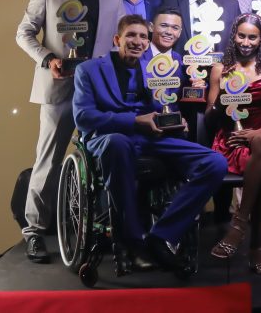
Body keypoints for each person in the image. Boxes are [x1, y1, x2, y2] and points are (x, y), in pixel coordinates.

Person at [72, 15, 228, 271]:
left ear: (148, 42)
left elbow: (162, 106)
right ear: (117, 39)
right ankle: (132, 239)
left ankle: (162, 235)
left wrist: (174, 121)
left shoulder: (154, 68)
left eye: (143, 36)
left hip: (150, 137)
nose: (138, 41)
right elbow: (83, 117)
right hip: (109, 138)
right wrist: (134, 121)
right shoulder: (89, 70)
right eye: (131, 35)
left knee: (215, 163)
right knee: (118, 143)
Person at [15, 0, 124, 264]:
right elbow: (23, 33)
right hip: (58, 87)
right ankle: (34, 232)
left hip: (98, 90)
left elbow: (119, 41)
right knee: (48, 161)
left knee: (104, 159)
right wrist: (48, 59)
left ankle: (103, 230)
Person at [205, 14, 261, 276]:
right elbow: (209, 116)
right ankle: (256, 250)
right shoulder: (220, 68)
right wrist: (220, 101)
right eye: (242, 36)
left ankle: (238, 226)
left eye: (252, 37)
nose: (246, 42)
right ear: (234, 36)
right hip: (231, 141)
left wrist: (258, 132)